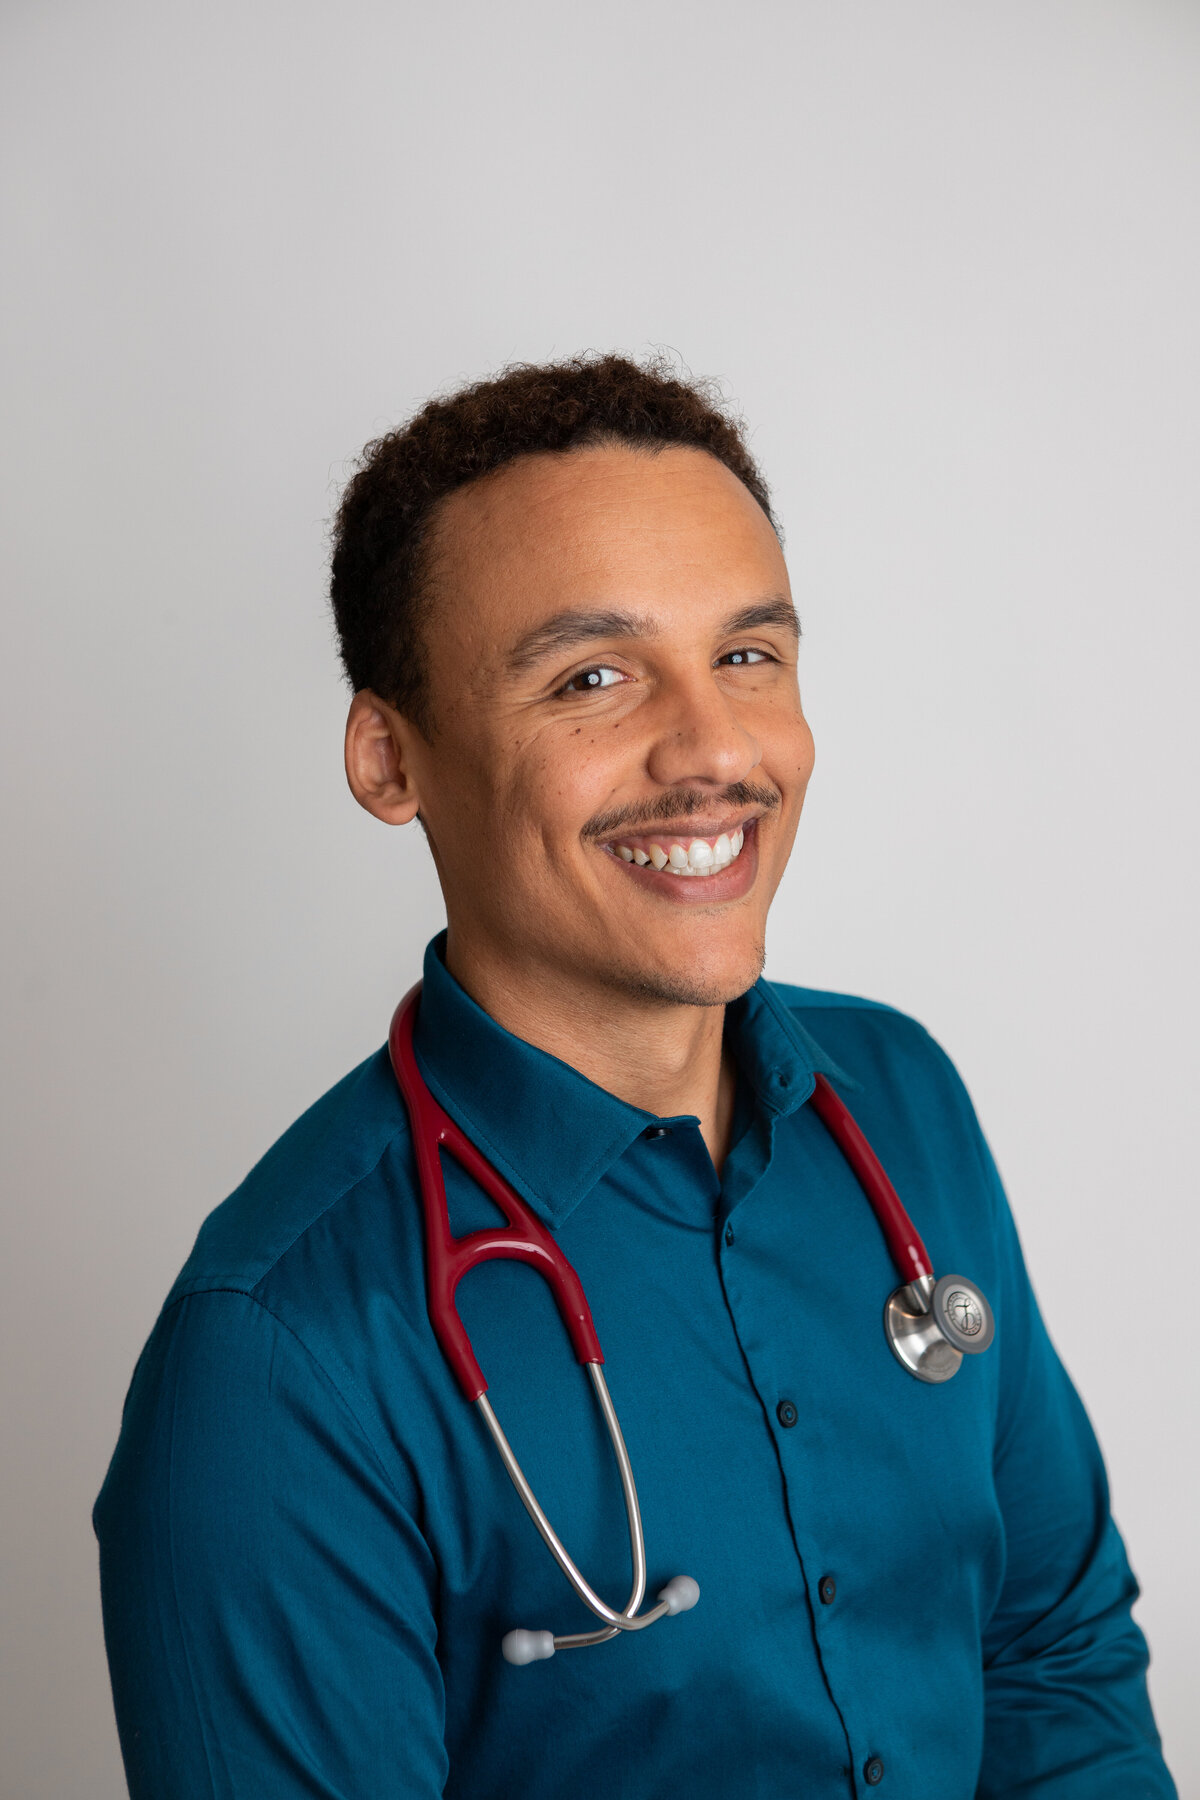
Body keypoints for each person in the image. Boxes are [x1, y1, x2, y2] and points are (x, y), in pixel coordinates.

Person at [94, 355, 1175, 1798]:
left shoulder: (903, 1100)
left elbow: (1049, 1655)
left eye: (747, 655)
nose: (715, 747)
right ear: (390, 756)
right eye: (593, 677)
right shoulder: (278, 1358)